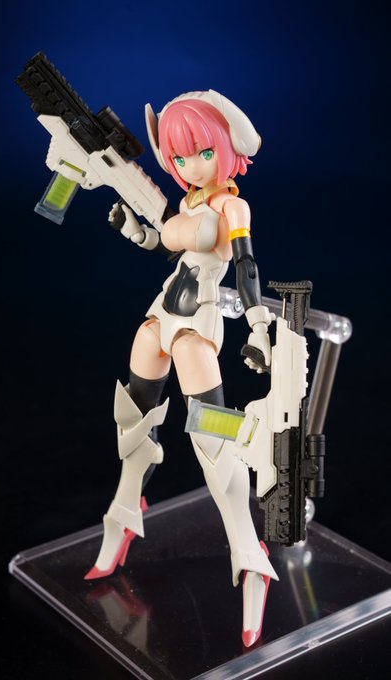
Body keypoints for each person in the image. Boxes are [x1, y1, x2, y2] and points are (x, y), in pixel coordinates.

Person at [85, 90, 278, 646]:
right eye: (180, 157)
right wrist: (137, 231)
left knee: (211, 436)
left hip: (199, 324)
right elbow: (169, 246)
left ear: (227, 149)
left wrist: (259, 326)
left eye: (202, 153)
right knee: (134, 418)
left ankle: (250, 552)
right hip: (162, 314)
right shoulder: (189, 203)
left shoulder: (232, 209)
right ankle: (125, 509)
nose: (191, 166)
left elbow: (246, 268)